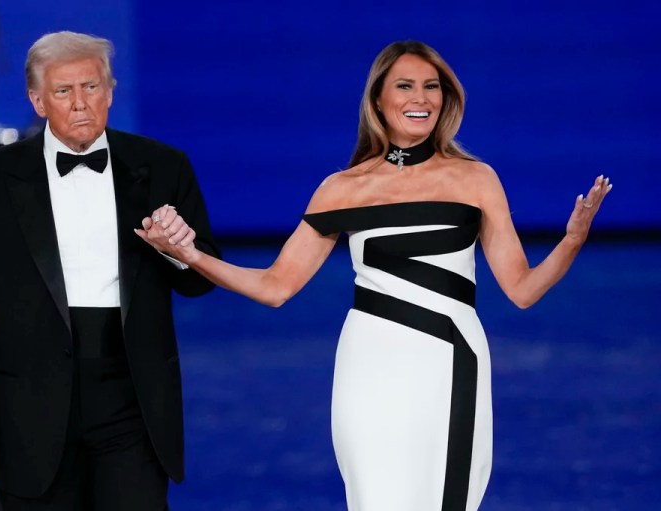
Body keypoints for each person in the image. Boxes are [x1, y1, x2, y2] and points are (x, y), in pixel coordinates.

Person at [136, 40, 611, 510]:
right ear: (378, 100)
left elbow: (522, 290)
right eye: (404, 86)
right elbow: (275, 286)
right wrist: (190, 254)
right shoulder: (342, 189)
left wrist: (571, 240)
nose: (420, 98)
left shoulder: (476, 179)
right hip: (368, 366)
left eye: (431, 87)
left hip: (449, 364)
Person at [0, 31, 218, 510]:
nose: (81, 104)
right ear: (37, 100)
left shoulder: (163, 168)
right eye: (64, 92)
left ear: (110, 92)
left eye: (91, 87)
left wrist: (179, 250)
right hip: (26, 404)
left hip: (132, 398)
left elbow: (198, 282)